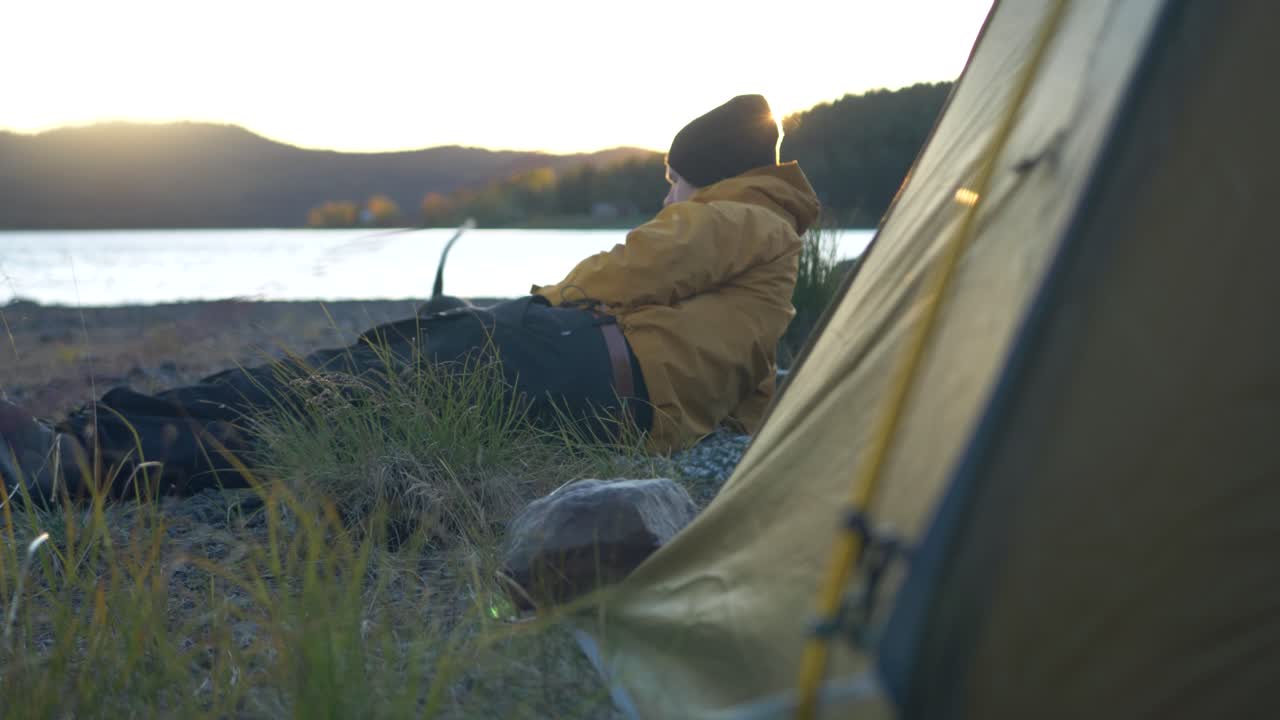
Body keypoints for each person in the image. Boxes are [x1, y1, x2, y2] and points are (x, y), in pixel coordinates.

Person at [0, 94, 820, 503]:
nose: (667, 197)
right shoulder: (771, 257)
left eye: (673, 180)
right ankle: (90, 451)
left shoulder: (739, 215)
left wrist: (554, 301)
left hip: (568, 359)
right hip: (595, 390)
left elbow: (643, 263)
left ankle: (81, 454)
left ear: (708, 176)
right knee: (346, 400)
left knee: (338, 386)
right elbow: (749, 396)